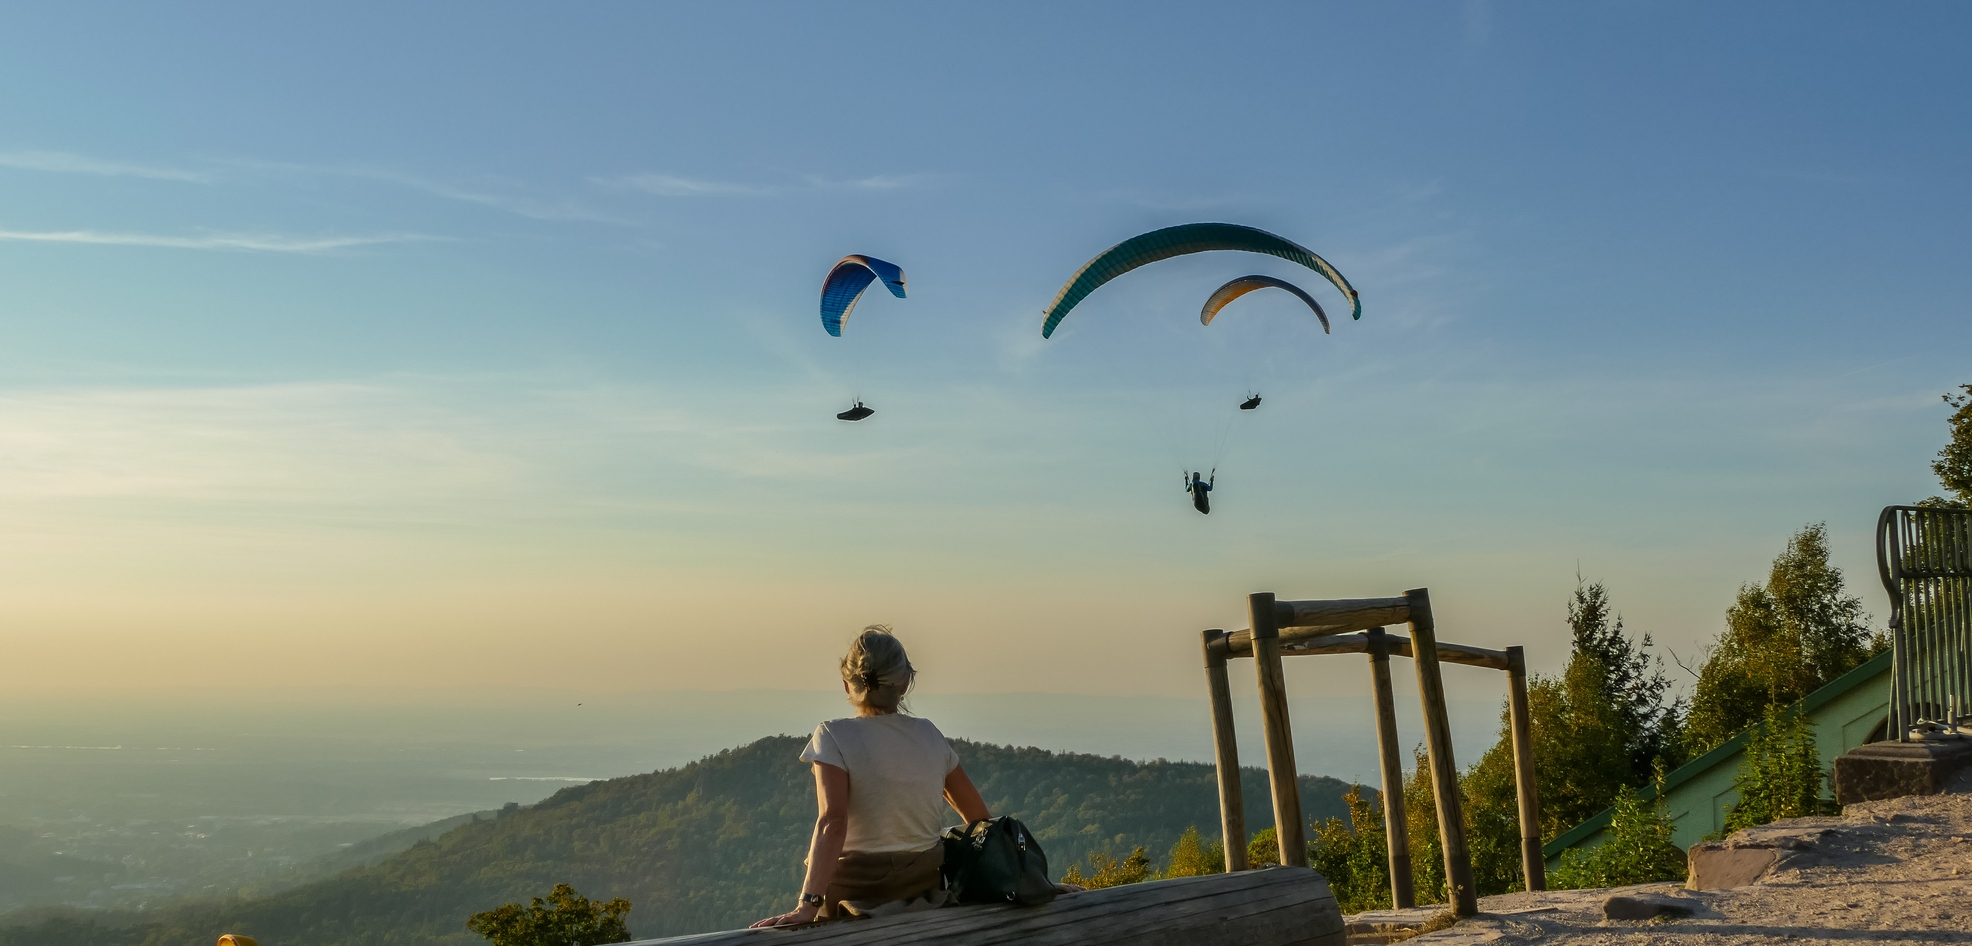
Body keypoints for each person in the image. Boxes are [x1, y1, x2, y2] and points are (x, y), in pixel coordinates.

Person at [753, 627, 1075, 928]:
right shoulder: (929, 735)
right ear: (904, 683)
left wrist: (808, 906)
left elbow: (832, 824)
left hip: (850, 902)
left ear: (847, 682)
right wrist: (1032, 881)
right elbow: (980, 822)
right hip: (923, 898)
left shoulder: (833, 736)